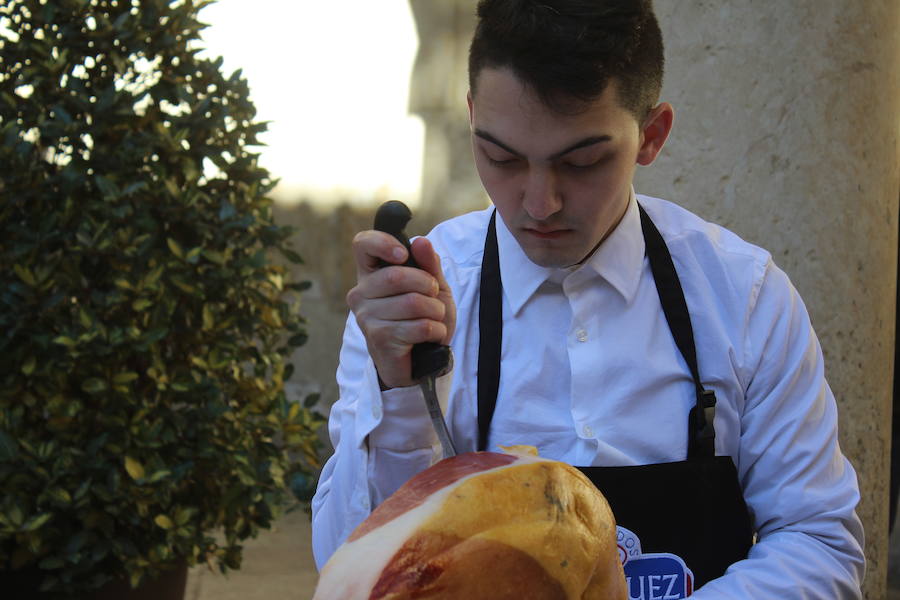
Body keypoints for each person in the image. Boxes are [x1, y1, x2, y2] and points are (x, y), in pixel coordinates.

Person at [311, 0, 865, 596]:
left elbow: (819, 542)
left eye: (582, 162)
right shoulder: (412, 300)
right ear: (473, 120)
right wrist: (400, 394)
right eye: (501, 158)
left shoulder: (744, 296)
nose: (538, 203)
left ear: (651, 136)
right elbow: (349, 564)